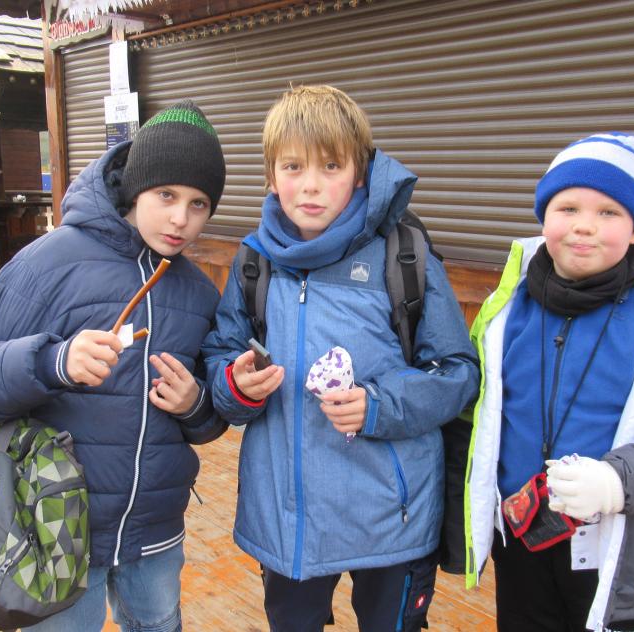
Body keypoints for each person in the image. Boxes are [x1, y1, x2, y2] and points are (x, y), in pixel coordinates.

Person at [201, 85, 480, 632]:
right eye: (293, 166)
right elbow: (221, 357)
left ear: (359, 171)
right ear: (271, 175)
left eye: (330, 165)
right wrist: (235, 384)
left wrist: (378, 405)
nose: (310, 184)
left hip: (390, 517)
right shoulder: (254, 261)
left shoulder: (403, 255)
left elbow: (457, 372)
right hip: (290, 518)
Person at [0, 99, 229, 632]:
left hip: (154, 533)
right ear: (134, 187)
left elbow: (208, 422)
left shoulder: (197, 292)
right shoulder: (47, 262)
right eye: (166, 195)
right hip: (51, 527)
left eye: (199, 204)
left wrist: (196, 404)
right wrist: (55, 361)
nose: (180, 218)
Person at [461, 132, 634, 632]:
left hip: (616, 548)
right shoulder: (504, 309)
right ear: (543, 218)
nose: (584, 228)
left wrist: (619, 481)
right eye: (567, 208)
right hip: (520, 536)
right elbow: (474, 415)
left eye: (609, 213)